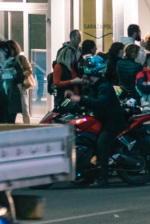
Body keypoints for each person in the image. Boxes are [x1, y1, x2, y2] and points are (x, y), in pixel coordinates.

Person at [67, 55, 126, 188]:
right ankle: (88, 176)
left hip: (113, 121)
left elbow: (100, 103)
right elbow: (90, 101)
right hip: (102, 119)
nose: (86, 77)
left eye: (88, 73)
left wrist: (79, 99)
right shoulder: (94, 85)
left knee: (102, 145)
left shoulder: (103, 86)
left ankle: (103, 179)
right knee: (88, 140)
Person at [51, 30, 83, 108]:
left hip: (74, 92)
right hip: (64, 95)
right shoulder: (64, 53)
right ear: (72, 38)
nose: (80, 40)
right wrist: (73, 81)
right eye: (78, 38)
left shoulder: (79, 51)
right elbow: (57, 82)